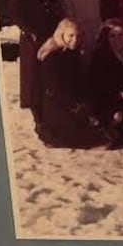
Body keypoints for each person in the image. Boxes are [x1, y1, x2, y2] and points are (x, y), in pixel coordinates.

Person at [35, 20, 108, 149]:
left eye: (79, 36)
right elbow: (55, 89)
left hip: (73, 102)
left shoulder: (73, 53)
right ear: (62, 35)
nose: (75, 39)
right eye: (71, 35)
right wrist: (76, 106)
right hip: (59, 105)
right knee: (84, 138)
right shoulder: (52, 57)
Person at [8, 0, 60, 124]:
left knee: (49, 75)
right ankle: (38, 118)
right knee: (34, 77)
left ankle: (51, 114)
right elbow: (15, 11)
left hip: (50, 35)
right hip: (32, 37)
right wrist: (29, 30)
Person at [87, 19, 123, 139]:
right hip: (109, 99)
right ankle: (105, 129)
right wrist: (122, 95)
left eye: (121, 34)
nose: (118, 39)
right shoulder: (100, 58)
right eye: (112, 36)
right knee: (117, 116)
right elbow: (99, 88)